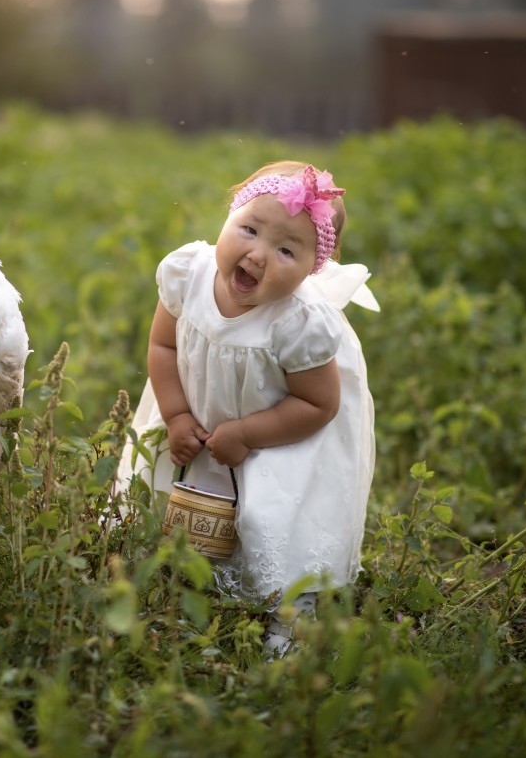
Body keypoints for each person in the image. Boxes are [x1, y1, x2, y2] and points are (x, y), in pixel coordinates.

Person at [116, 161, 378, 652]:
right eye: (249, 229)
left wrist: (248, 433)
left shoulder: (299, 321)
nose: (258, 254)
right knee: (168, 499)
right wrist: (175, 415)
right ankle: (174, 587)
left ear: (310, 269)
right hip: (193, 419)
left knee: (268, 519)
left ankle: (287, 614)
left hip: (279, 435)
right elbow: (163, 347)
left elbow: (317, 404)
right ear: (229, 217)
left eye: (285, 249)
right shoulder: (187, 274)